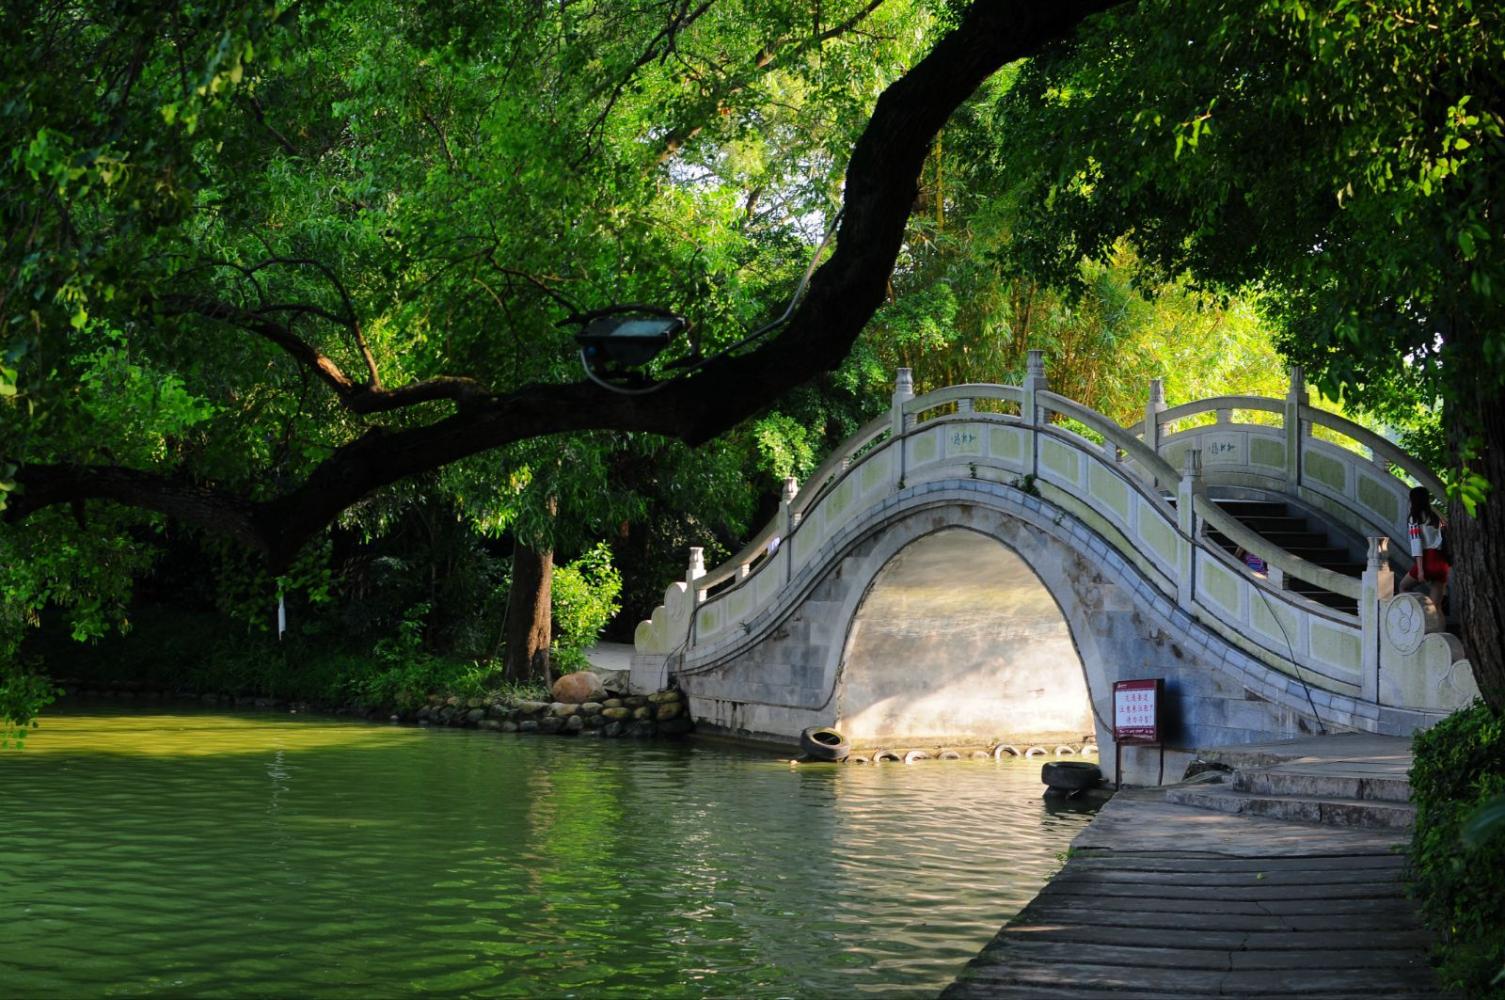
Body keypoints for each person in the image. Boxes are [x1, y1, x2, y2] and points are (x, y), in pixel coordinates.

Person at [1399, 486, 1449, 610]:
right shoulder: (1435, 517)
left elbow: (1417, 544)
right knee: (1436, 607)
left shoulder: (1414, 518)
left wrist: (1420, 570)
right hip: (1442, 562)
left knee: (1403, 587)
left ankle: (1418, 612)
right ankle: (1437, 626)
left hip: (1428, 560)